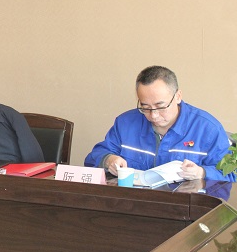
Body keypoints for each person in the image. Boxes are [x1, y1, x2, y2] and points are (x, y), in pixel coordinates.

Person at [85, 65, 235, 182]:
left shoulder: (208, 129)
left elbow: (231, 174)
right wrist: (108, 160)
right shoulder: (125, 123)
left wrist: (202, 173)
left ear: (178, 96)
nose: (154, 115)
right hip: (134, 204)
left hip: (186, 207)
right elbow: (94, 157)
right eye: (145, 107)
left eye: (161, 106)